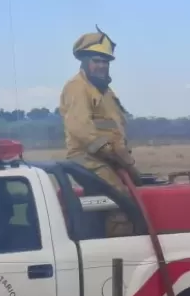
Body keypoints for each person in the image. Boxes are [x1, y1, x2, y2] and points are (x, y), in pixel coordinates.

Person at [59, 26, 143, 237]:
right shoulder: (77, 87)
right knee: (121, 201)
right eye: (96, 60)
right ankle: (119, 251)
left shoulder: (104, 91)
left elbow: (114, 127)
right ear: (84, 61)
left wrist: (124, 160)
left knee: (135, 193)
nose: (101, 66)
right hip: (88, 158)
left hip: (108, 159)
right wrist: (108, 151)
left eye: (105, 62)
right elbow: (80, 128)